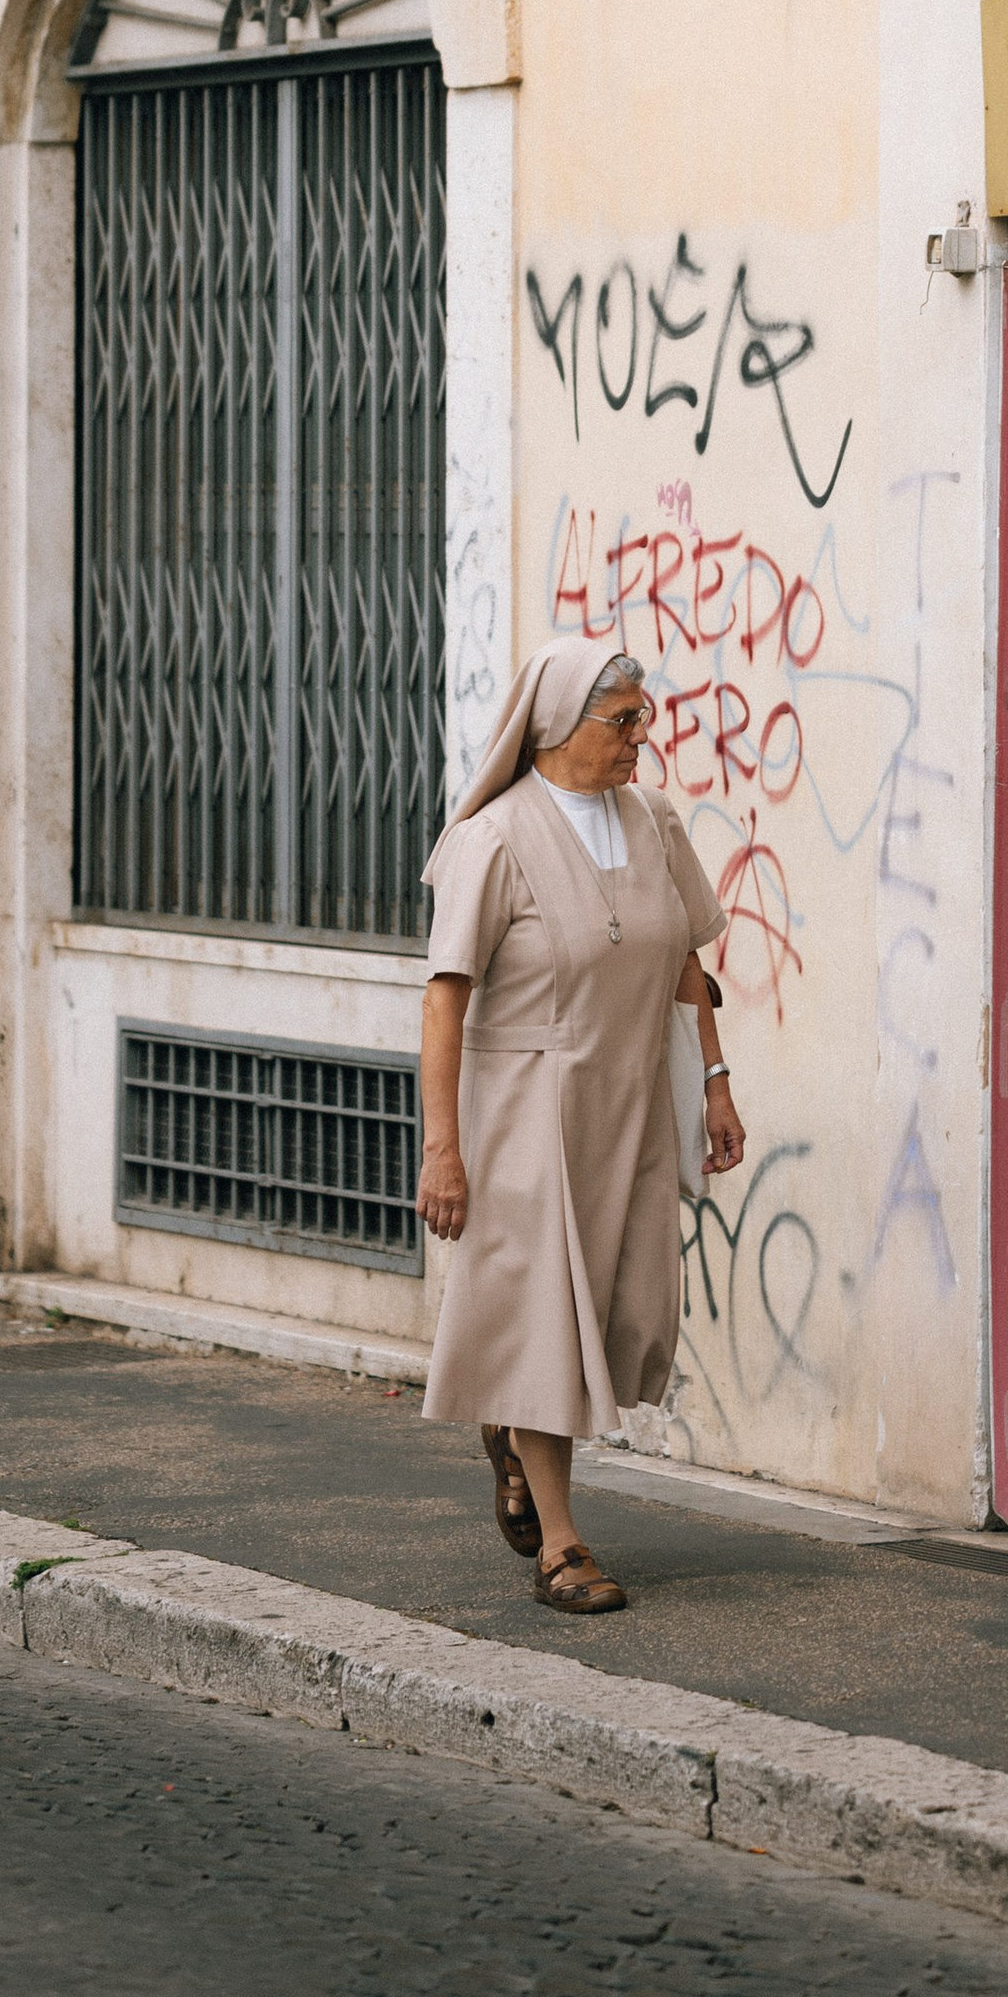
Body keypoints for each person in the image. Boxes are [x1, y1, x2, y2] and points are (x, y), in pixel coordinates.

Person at [416, 639, 745, 1615]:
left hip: (632, 1097)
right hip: (527, 1106)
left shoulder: (651, 820)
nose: (643, 735)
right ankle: (562, 1546)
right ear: (560, 727)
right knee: (548, 1317)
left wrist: (715, 1084)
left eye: (644, 715)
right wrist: (444, 1146)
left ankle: (512, 1436)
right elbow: (444, 999)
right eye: (625, 720)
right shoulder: (496, 838)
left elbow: (685, 959)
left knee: (617, 1304)